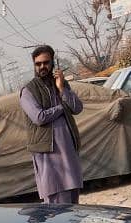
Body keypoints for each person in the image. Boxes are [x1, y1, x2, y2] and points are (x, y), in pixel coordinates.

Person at [19, 45, 84, 204]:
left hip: (68, 154)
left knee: (73, 207)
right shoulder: (28, 91)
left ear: (53, 62)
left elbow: (77, 108)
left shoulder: (60, 84)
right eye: (38, 64)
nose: (42, 67)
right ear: (34, 65)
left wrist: (62, 88)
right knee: (56, 208)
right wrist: (62, 107)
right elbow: (39, 117)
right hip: (48, 156)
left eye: (46, 63)